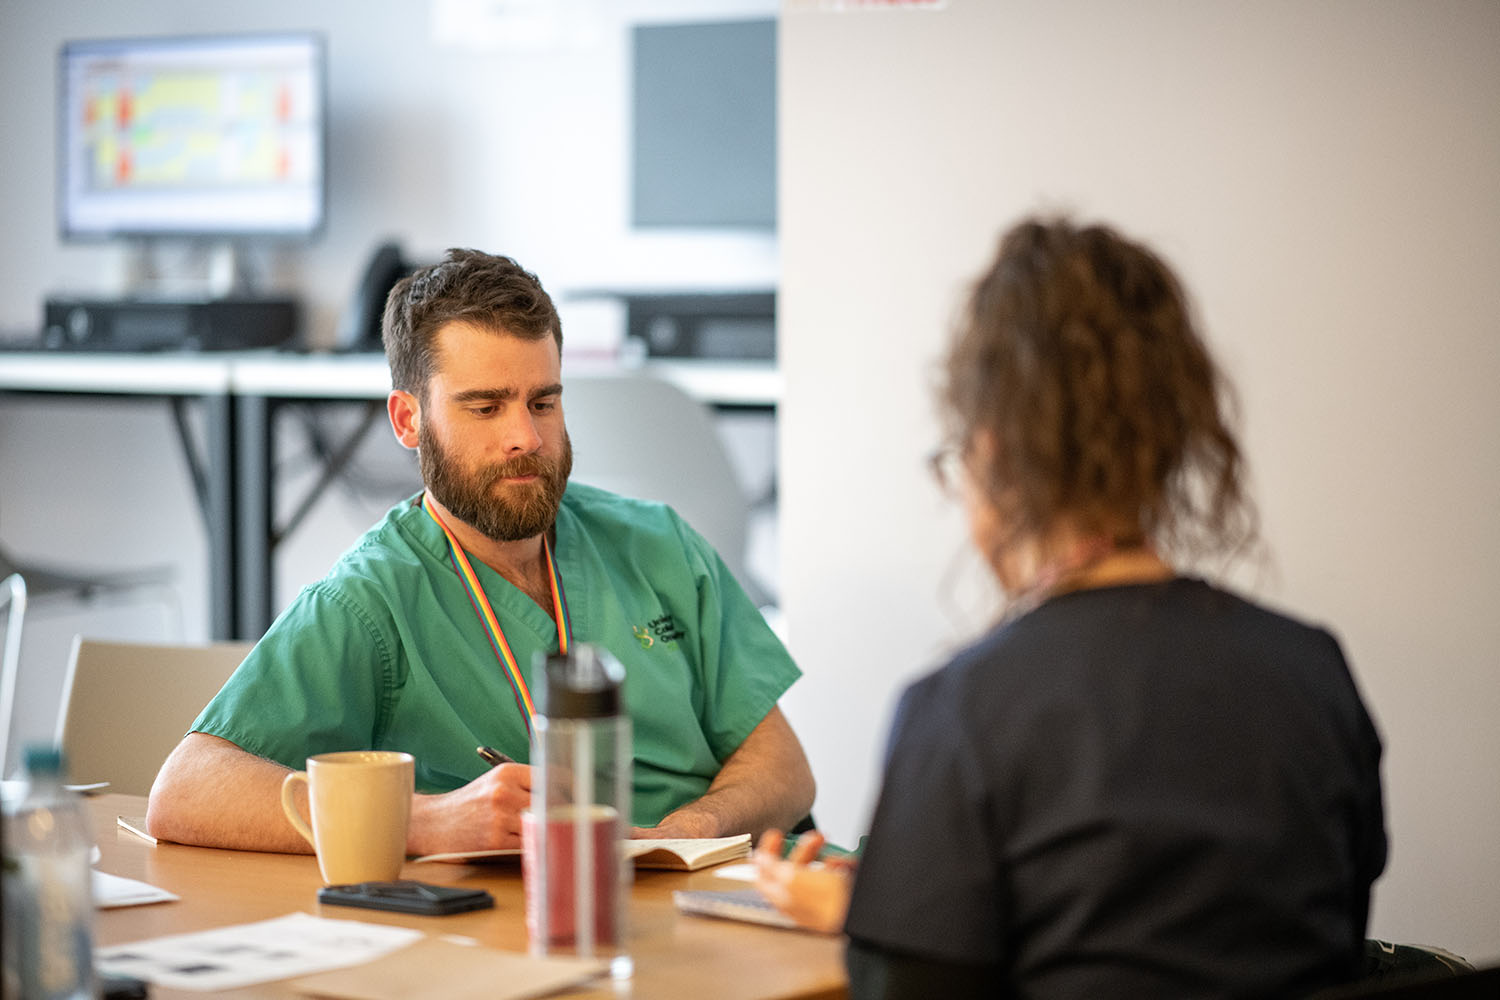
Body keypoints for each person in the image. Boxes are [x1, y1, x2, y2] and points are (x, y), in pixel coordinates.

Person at [754, 216, 1386, 998]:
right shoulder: (1313, 672)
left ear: (991, 451)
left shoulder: (961, 713)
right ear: (1174, 437)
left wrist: (882, 920)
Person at [148, 249, 815, 856]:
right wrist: (429, 821)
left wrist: (682, 835)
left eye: (543, 401)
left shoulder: (659, 543)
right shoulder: (371, 601)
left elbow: (785, 768)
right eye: (486, 408)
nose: (525, 437)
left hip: (725, 885)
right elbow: (186, 790)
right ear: (409, 421)